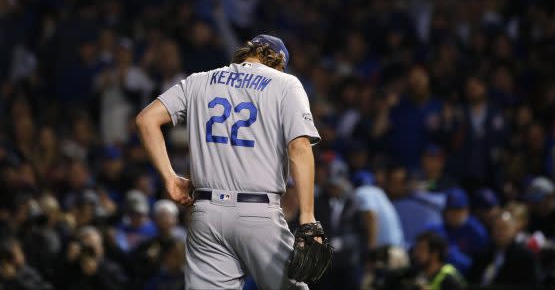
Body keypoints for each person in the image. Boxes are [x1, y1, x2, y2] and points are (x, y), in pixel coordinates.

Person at [135, 34, 322, 289]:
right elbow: (299, 147)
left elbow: (146, 119)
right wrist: (308, 217)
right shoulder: (285, 84)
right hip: (257, 213)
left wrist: (170, 178)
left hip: (205, 215)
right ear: (279, 62)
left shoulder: (199, 80)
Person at [473, 210, 540, 286]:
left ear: (515, 230)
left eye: (504, 228)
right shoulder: (483, 254)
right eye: (497, 228)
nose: (500, 232)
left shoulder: (525, 257)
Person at [352, 170, 404, 250]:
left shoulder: (362, 192)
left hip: (385, 250)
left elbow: (371, 216)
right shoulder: (379, 192)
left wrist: (371, 249)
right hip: (397, 247)